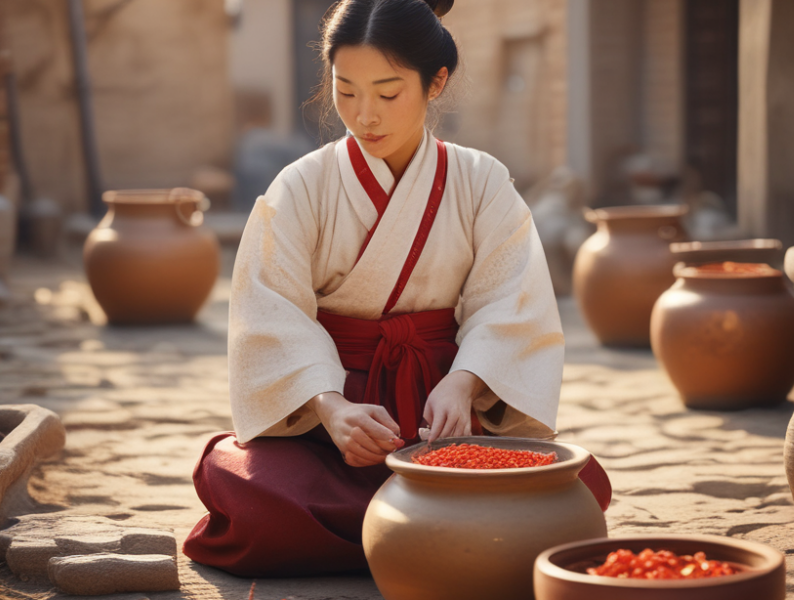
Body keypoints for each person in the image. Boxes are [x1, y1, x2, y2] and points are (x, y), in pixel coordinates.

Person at [183, 0, 609, 577]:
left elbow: (512, 299)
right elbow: (270, 311)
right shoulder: (301, 187)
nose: (364, 116)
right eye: (346, 90)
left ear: (436, 82)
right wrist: (330, 408)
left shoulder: (481, 181)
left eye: (388, 93)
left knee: (580, 484)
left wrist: (464, 384)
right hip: (331, 421)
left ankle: (390, 534)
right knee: (252, 493)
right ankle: (451, 536)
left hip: (447, 411)